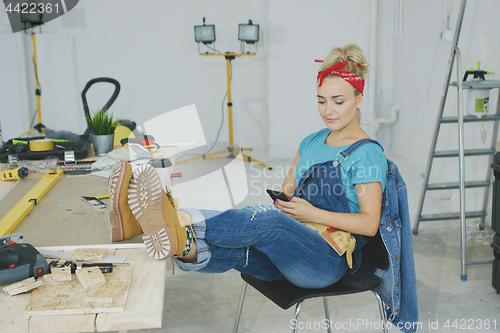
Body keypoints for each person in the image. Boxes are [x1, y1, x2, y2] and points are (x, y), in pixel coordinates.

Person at [109, 43, 388, 289]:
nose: (328, 110)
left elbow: (369, 224)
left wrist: (312, 212)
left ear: (359, 99)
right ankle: (180, 242)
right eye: (321, 101)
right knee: (243, 244)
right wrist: (288, 205)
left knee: (268, 221)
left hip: (326, 261)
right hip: (290, 251)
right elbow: (285, 197)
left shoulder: (366, 154)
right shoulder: (311, 143)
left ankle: (175, 218)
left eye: (338, 101)